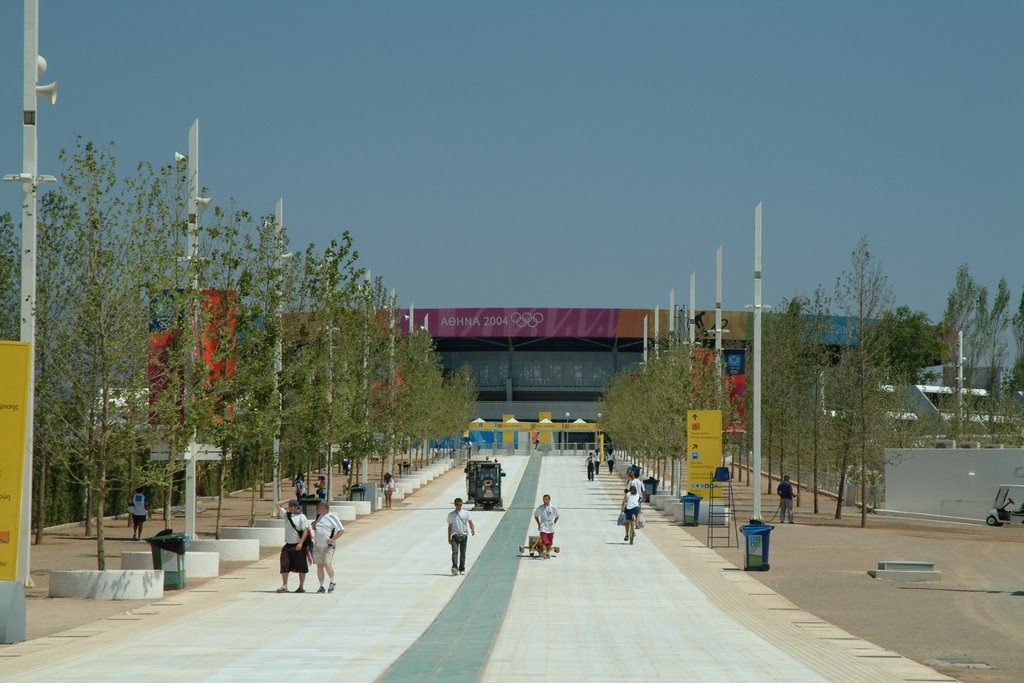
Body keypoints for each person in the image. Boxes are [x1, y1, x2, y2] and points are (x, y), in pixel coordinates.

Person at [277, 498, 311, 593]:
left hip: (298, 545)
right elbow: (277, 504)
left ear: (297, 507)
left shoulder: (302, 517)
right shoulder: (286, 515)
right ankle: (284, 586)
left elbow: (305, 531)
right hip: (288, 545)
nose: (291, 507)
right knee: (284, 565)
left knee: (301, 566)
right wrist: (288, 500)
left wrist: (301, 543)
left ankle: (301, 586)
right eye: (290, 506)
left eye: (293, 506)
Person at [311, 501, 344, 593]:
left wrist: (333, 539)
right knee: (319, 566)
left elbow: (341, 530)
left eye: (320, 508)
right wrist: (313, 526)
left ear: (325, 508)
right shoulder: (319, 516)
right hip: (318, 545)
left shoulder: (332, 517)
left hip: (328, 546)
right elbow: (317, 527)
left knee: (327, 564)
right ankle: (321, 585)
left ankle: (332, 581)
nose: (318, 509)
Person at [446, 497, 475, 575]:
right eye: (457, 505)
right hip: (455, 535)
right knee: (455, 552)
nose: (459, 506)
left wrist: (472, 529)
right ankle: (454, 567)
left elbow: (470, 522)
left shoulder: (466, 513)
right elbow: (449, 527)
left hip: (464, 535)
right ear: (455, 505)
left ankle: (462, 568)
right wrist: (449, 537)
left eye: (460, 505)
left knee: (463, 553)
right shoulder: (451, 515)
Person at [533, 494, 560, 559]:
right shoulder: (540, 508)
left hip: (550, 526)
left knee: (549, 542)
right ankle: (544, 551)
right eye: (544, 499)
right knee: (544, 540)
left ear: (549, 500)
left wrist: (554, 523)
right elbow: (536, 515)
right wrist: (539, 524)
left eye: (546, 499)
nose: (544, 500)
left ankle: (548, 553)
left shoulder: (553, 508)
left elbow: (557, 516)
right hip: (543, 526)